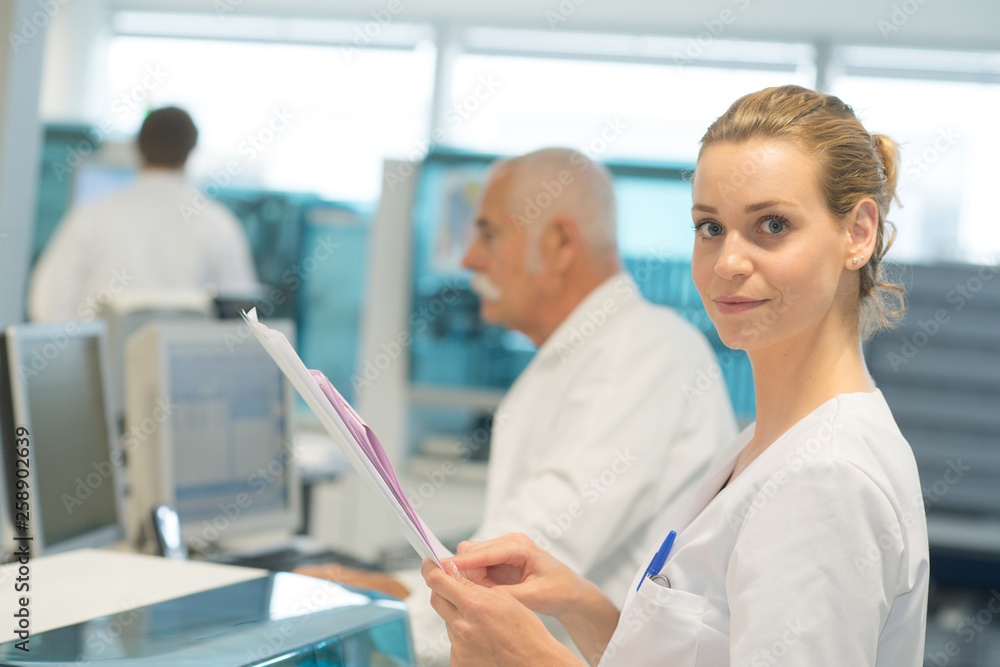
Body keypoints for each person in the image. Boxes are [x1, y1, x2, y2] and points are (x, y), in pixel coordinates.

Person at [420, 86, 930, 666]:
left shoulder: (827, 477)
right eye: (710, 227)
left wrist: (534, 657)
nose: (729, 262)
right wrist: (578, 602)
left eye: (772, 225)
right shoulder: (769, 445)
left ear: (858, 234)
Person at [299, 147, 737, 664]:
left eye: (488, 233)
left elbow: (534, 557)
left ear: (558, 243)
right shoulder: (584, 355)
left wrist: (373, 605)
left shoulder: (642, 352)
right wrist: (382, 591)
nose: (469, 259)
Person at [29, 106, 258, 322]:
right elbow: (242, 316)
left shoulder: (91, 216)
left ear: (137, 148)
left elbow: (47, 307)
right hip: (181, 361)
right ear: (190, 151)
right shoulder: (217, 224)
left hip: (104, 362)